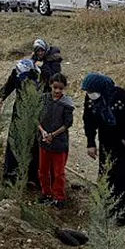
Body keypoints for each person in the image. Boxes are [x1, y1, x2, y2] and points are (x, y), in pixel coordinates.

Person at [82, 73, 125, 226]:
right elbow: (88, 120)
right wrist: (91, 142)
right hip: (108, 141)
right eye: (88, 91)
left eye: (93, 90)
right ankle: (109, 208)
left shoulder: (124, 97)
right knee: (108, 174)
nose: (90, 94)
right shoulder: (91, 100)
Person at [0, 58, 42, 187]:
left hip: (35, 114)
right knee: (13, 142)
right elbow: (8, 86)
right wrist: (0, 99)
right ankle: (10, 176)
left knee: (33, 145)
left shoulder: (39, 77)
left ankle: (32, 177)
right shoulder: (16, 72)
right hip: (19, 111)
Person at [37, 73, 74, 209]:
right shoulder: (43, 99)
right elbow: (36, 116)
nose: (57, 91)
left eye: (60, 88)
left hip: (59, 142)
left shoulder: (67, 104)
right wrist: (43, 132)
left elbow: (67, 124)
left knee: (58, 172)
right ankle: (46, 193)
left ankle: (59, 197)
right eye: (55, 87)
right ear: (50, 86)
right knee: (43, 170)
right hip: (44, 140)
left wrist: (53, 135)